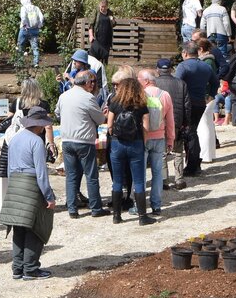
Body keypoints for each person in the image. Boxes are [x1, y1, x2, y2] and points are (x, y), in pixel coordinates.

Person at [0, 108, 57, 280]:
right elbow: (41, 173)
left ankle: (17, 268)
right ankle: (31, 268)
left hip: (15, 183)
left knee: (18, 227)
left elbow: (9, 168)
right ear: (39, 125)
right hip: (30, 186)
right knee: (35, 227)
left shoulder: (15, 139)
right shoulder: (37, 141)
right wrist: (49, 196)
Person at [55, 70, 108, 218]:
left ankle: (72, 209)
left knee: (71, 175)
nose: (93, 85)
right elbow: (99, 119)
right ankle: (96, 208)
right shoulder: (88, 98)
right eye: (92, 82)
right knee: (91, 175)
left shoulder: (64, 96)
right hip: (84, 141)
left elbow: (57, 113)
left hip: (66, 140)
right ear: (87, 83)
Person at [106, 78, 151, 225]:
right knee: (138, 181)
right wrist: (143, 144)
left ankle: (116, 216)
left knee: (117, 181)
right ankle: (142, 217)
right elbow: (146, 128)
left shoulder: (114, 103)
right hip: (136, 143)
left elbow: (110, 126)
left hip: (117, 144)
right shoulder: (141, 104)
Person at [0, 79, 56, 182]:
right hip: (37, 139)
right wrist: (51, 144)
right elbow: (48, 126)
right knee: (36, 166)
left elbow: (10, 120)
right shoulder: (43, 104)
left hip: (18, 139)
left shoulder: (17, 102)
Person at [174, 41, 215, 176]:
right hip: (200, 103)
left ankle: (193, 165)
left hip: (187, 103)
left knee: (190, 133)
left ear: (185, 53)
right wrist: (210, 96)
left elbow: (177, 83)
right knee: (193, 132)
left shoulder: (183, 66)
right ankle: (194, 163)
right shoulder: (206, 67)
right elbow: (215, 82)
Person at [137, 69, 174, 217]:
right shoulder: (165, 95)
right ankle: (156, 205)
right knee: (158, 173)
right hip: (159, 138)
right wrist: (170, 139)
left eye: (138, 78)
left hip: (143, 137)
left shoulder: (140, 95)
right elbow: (170, 120)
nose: (137, 81)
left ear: (146, 81)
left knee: (140, 173)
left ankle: (138, 205)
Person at [155, 58, 190, 190]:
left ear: (157, 69)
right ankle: (179, 179)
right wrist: (185, 123)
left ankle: (164, 180)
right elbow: (187, 106)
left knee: (162, 153)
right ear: (171, 69)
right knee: (178, 152)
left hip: (159, 122)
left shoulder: (154, 84)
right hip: (176, 121)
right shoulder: (181, 83)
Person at [194, 39, 219, 164]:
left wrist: (209, 94)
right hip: (209, 96)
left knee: (203, 126)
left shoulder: (207, 61)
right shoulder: (209, 60)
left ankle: (205, 155)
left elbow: (208, 80)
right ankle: (210, 154)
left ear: (201, 49)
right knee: (208, 125)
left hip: (205, 96)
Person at [17, 0, 44, 67]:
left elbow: (23, 17)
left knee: (20, 45)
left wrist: (25, 25)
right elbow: (41, 17)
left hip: (25, 29)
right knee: (35, 46)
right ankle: (36, 63)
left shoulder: (23, 8)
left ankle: (19, 62)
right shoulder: (36, 8)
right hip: (34, 29)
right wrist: (39, 25)